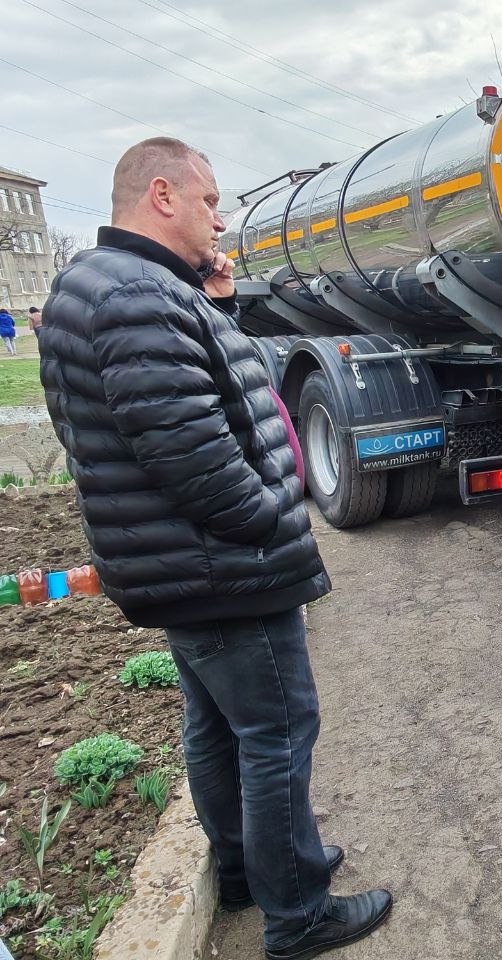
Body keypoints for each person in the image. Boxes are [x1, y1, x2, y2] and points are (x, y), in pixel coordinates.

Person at [39, 137, 392, 958]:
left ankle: (244, 869)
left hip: (181, 563)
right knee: (276, 730)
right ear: (161, 195)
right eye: (209, 201)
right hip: (222, 566)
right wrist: (279, 508)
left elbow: (186, 397)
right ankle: (298, 910)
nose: (220, 217)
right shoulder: (135, 296)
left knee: (218, 725)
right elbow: (195, 458)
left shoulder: (116, 287)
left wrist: (216, 306)